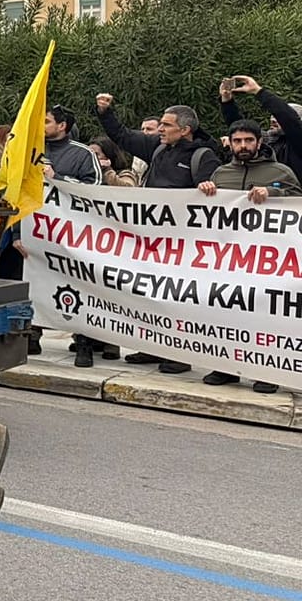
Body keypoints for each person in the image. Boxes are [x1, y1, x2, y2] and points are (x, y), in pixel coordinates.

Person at [97, 93, 221, 374]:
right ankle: (152, 346)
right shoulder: (158, 148)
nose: (160, 129)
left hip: (183, 245)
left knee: (178, 298)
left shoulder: (204, 156)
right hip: (152, 241)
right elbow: (122, 136)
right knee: (151, 294)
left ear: (185, 130)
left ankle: (178, 354)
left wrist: (208, 190)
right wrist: (105, 112)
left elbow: (214, 199)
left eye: (166, 125)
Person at [195, 119, 299, 393]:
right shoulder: (220, 173)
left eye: (248, 141)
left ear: (259, 142)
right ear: (230, 143)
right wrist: (205, 192)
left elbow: (298, 201)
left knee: (264, 315)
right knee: (226, 313)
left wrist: (274, 192)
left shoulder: (281, 171)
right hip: (228, 259)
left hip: (268, 260)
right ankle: (226, 368)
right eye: (238, 141)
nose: (243, 146)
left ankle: (267, 371)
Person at [220, 74, 302, 183]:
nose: (273, 120)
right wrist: (227, 101)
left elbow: (287, 117)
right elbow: (241, 129)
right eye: (272, 117)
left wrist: (258, 91)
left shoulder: (298, 144)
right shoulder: (268, 142)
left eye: (277, 118)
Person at [42, 105, 102, 184]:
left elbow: (93, 187)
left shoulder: (84, 154)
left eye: (46, 122)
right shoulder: (29, 148)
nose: (40, 125)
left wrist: (56, 177)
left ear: (62, 126)